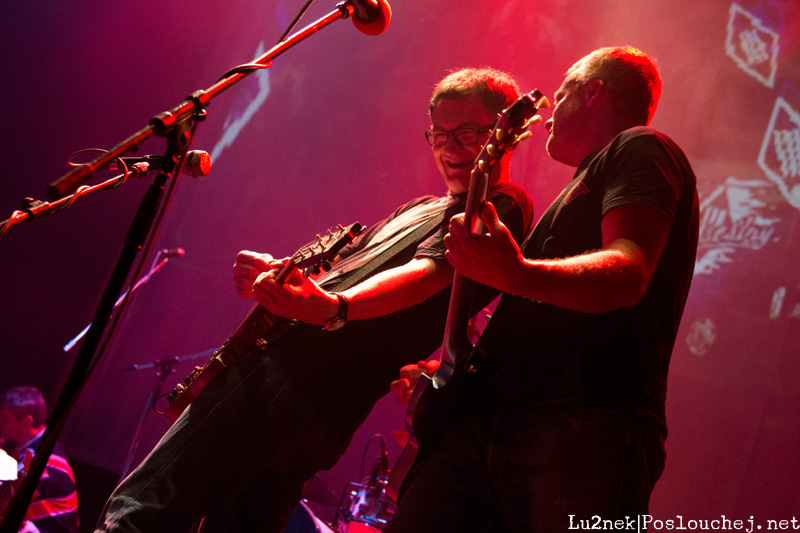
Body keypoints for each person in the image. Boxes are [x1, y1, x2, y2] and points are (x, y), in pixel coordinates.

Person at [94, 67, 534, 532]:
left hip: (288, 377)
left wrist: (333, 308)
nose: (451, 148)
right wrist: (276, 272)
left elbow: (426, 275)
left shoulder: (502, 203)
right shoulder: (419, 208)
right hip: (316, 408)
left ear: (504, 133)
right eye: (439, 134)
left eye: (466, 133)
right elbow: (337, 273)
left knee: (144, 509)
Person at [387, 46, 700, 532]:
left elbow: (628, 272)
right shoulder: (577, 190)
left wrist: (514, 273)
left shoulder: (641, 147)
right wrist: (451, 370)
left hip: (582, 426)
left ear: (593, 90)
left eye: (562, 92)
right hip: (492, 421)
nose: (550, 110)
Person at [0, 387, 79, 533]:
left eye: (4, 418)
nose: (0, 422)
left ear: (26, 422)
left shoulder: (45, 460)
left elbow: (6, 501)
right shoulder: (22, 443)